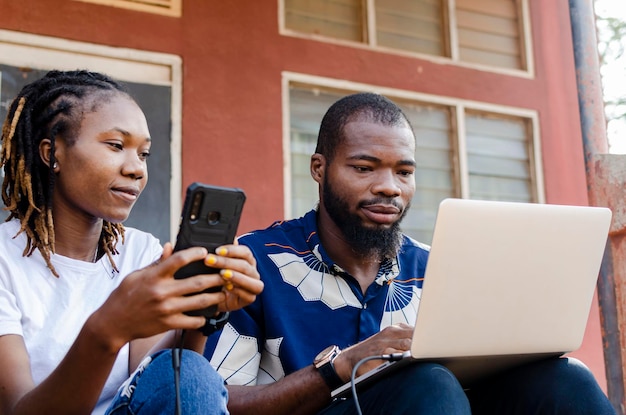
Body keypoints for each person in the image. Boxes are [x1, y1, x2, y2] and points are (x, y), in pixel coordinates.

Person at [203, 92, 616, 414]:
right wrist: (341, 368)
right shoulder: (253, 262)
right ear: (319, 169)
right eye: (364, 168)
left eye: (404, 171)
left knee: (566, 381)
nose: (389, 187)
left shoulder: (438, 267)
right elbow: (217, 403)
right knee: (426, 382)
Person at [0, 69, 264, 415]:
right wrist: (106, 330)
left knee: (193, 374)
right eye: (116, 146)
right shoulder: (5, 259)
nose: (136, 169)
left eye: (144, 154)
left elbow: (166, 384)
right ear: (52, 153)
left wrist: (202, 313)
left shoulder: (140, 251)